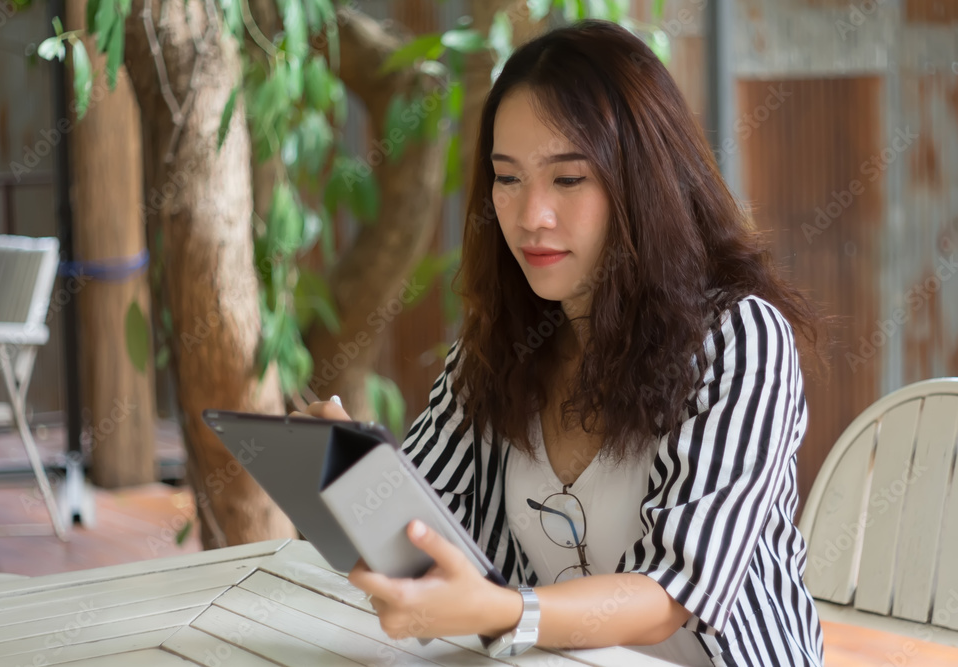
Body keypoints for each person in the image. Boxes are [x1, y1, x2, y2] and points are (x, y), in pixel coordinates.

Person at [300, 18, 826, 667]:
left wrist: (504, 612)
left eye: (568, 179)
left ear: (643, 182)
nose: (530, 216)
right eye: (509, 178)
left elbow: (672, 591)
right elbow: (430, 529)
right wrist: (360, 488)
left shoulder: (741, 339)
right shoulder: (498, 346)